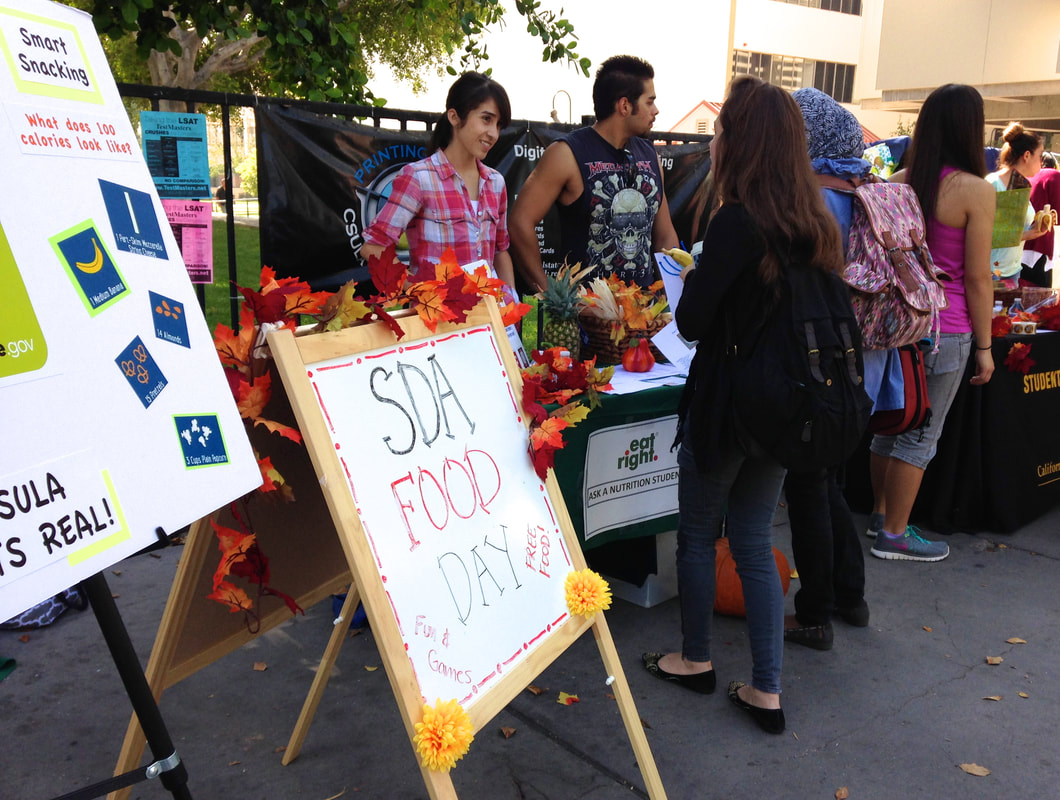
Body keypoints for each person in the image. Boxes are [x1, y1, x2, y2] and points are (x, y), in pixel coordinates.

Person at [641, 76, 846, 735]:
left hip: (729, 406)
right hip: (787, 408)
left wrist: (696, 276)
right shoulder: (814, 225)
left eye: (721, 129)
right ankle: (766, 689)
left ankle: (694, 658)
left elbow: (693, 323)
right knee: (755, 540)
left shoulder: (735, 221)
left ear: (743, 141)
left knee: (700, 534)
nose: (713, 140)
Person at [868, 84, 996, 561]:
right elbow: (978, 278)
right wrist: (985, 347)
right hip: (949, 327)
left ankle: (880, 517)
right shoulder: (975, 191)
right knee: (920, 436)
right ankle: (895, 535)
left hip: (899, 324)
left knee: (891, 424)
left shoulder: (899, 182)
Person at [778, 87, 880, 650]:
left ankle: (816, 612)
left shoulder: (814, 198)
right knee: (825, 481)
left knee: (809, 486)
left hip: (816, 357)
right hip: (854, 355)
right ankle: (850, 594)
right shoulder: (859, 188)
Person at [508, 55, 679, 292]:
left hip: (644, 309)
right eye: (649, 102)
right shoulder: (566, 154)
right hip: (585, 311)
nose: (656, 110)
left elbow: (665, 236)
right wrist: (550, 293)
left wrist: (673, 296)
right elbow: (520, 222)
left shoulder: (650, 155)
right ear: (625, 106)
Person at [362, 71, 516, 296]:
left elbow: (501, 251)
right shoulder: (419, 177)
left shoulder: (495, 182)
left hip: (489, 314)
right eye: (486, 119)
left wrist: (511, 300)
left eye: (499, 125)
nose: (493, 133)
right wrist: (419, 292)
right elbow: (373, 247)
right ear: (454, 117)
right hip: (438, 316)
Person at [985, 123, 1046, 288]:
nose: (1041, 162)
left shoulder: (1021, 184)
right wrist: (1027, 234)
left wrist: (1036, 227)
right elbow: (983, 234)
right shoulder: (993, 184)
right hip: (991, 271)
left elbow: (1011, 228)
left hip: (1012, 270)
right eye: (1040, 156)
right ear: (1027, 155)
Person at [1021, 164, 1059, 287]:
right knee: (1039, 297)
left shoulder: (1020, 175)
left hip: (1014, 249)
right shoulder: (1052, 174)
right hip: (1036, 248)